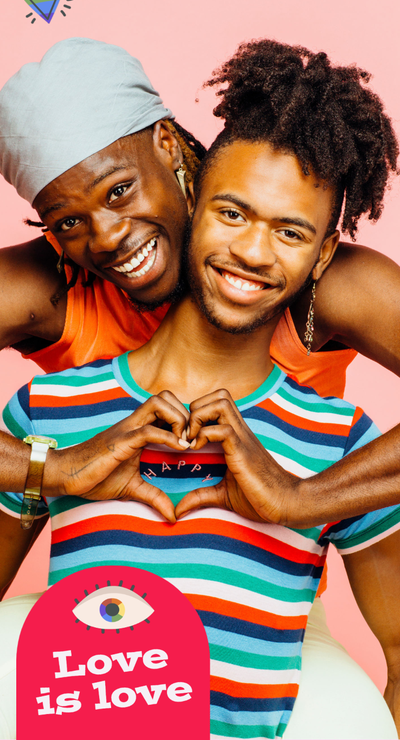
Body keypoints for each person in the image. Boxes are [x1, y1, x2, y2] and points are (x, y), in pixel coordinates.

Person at [0, 126, 399, 740]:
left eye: (291, 232)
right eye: (232, 214)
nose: (253, 252)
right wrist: (50, 468)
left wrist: (299, 498)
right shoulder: (50, 411)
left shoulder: (341, 445)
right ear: (191, 210)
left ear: (322, 256)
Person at [0, 36, 399, 526]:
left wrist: (306, 499)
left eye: (120, 191)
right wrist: (55, 469)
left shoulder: (308, 278)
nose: (106, 238)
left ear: (167, 145)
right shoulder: (50, 287)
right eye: (67, 222)